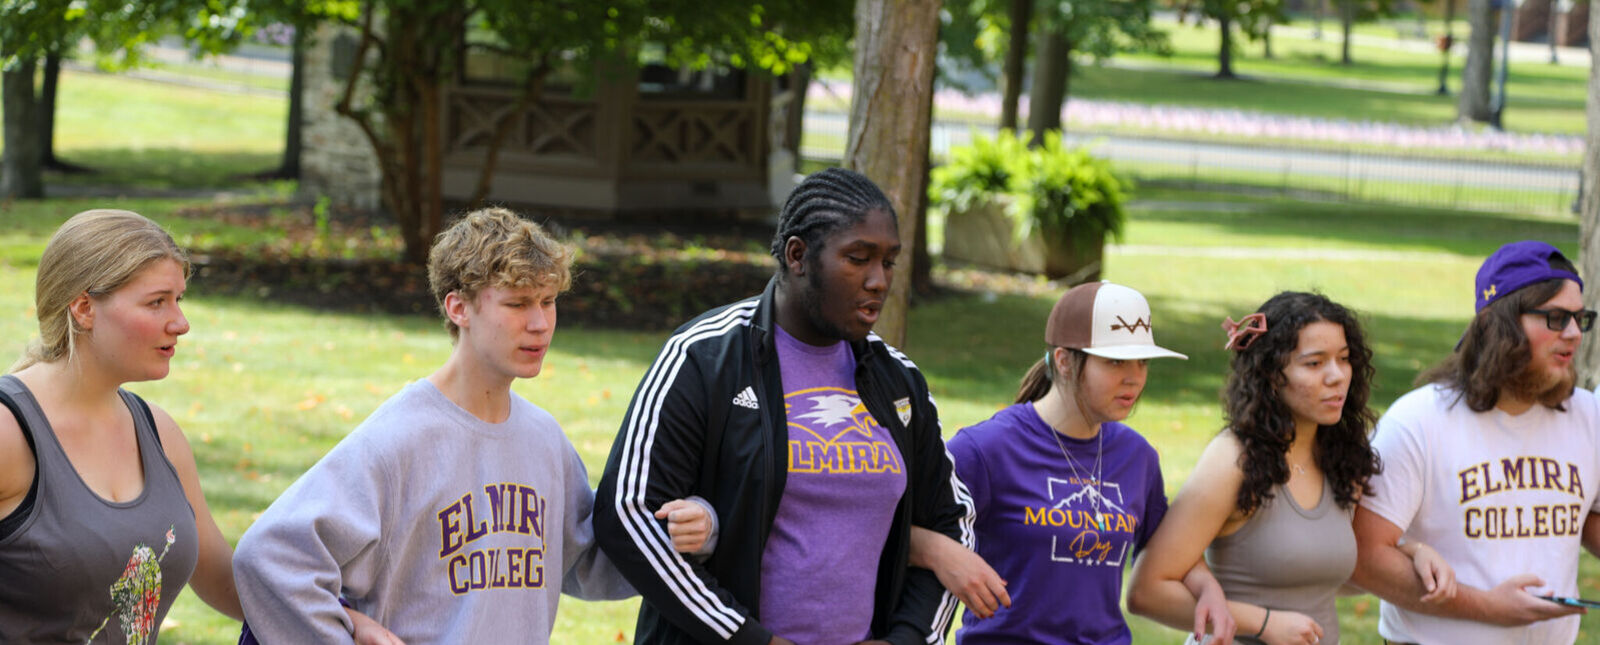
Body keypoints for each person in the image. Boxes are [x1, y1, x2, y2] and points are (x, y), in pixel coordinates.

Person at [232, 207, 713, 643]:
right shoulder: (398, 440)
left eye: (548, 301)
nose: (541, 323)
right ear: (458, 307)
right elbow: (270, 558)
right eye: (518, 303)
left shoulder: (544, 439)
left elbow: (589, 562)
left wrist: (693, 528)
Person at [592, 167, 974, 645]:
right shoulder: (706, 357)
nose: (879, 281)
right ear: (798, 255)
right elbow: (627, 515)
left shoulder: (898, 380)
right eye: (858, 259)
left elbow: (953, 520)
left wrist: (908, 638)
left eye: (890, 262)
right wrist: (751, 639)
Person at [0, 209, 397, 644]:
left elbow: (224, 581)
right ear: (84, 308)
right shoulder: (10, 433)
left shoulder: (158, 433)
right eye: (157, 302)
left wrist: (343, 620)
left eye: (179, 300)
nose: (181, 323)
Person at [902, 281, 1235, 644]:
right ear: (1063, 361)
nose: (1134, 378)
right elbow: (890, 531)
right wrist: (944, 554)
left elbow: (1169, 550)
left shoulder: (1137, 457)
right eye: (1115, 361)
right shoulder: (985, 450)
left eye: (1142, 362)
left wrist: (1207, 588)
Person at [1128, 291, 1455, 645]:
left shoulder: (1340, 459)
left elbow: (1325, 569)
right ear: (1271, 375)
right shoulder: (1235, 460)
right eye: (1314, 364)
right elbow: (1148, 590)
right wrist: (1262, 623)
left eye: (1344, 359)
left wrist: (1414, 553)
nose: (1336, 376)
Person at [1350, 240, 1600, 644]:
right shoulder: (1419, 421)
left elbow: (1585, 514)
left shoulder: (1586, 415)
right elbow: (1363, 556)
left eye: (1579, 318)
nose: (1573, 333)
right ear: (1498, 325)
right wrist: (1486, 607)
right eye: (1556, 317)